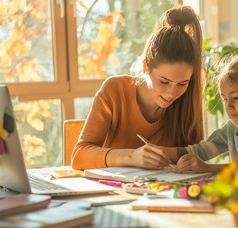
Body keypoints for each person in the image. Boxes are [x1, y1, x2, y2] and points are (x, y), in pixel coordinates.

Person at [71, 6, 205, 170]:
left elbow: (195, 160)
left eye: (182, 84)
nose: (172, 92)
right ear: (146, 66)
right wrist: (131, 157)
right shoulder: (115, 90)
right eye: (164, 81)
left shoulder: (188, 100)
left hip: (163, 192)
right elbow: (79, 156)